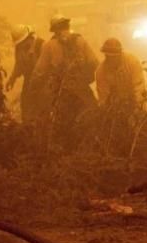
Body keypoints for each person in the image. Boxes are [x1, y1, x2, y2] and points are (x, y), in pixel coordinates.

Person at [33, 16, 99, 148]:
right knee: (93, 117)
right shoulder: (81, 41)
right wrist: (86, 78)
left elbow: (39, 71)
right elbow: (94, 62)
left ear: (54, 30)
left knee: (63, 126)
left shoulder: (49, 45)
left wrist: (33, 89)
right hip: (82, 90)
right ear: (67, 27)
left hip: (61, 93)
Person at [95, 38, 145, 154]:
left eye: (114, 56)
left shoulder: (132, 61)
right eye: (108, 56)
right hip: (116, 105)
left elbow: (139, 86)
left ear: (120, 54)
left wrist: (138, 109)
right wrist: (105, 114)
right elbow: (103, 96)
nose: (111, 59)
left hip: (133, 100)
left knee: (140, 131)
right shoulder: (101, 71)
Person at [6, 24, 44, 123]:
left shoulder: (41, 45)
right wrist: (12, 79)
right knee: (26, 108)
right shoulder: (19, 48)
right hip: (28, 82)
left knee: (42, 110)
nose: (20, 45)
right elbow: (18, 65)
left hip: (43, 83)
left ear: (28, 37)